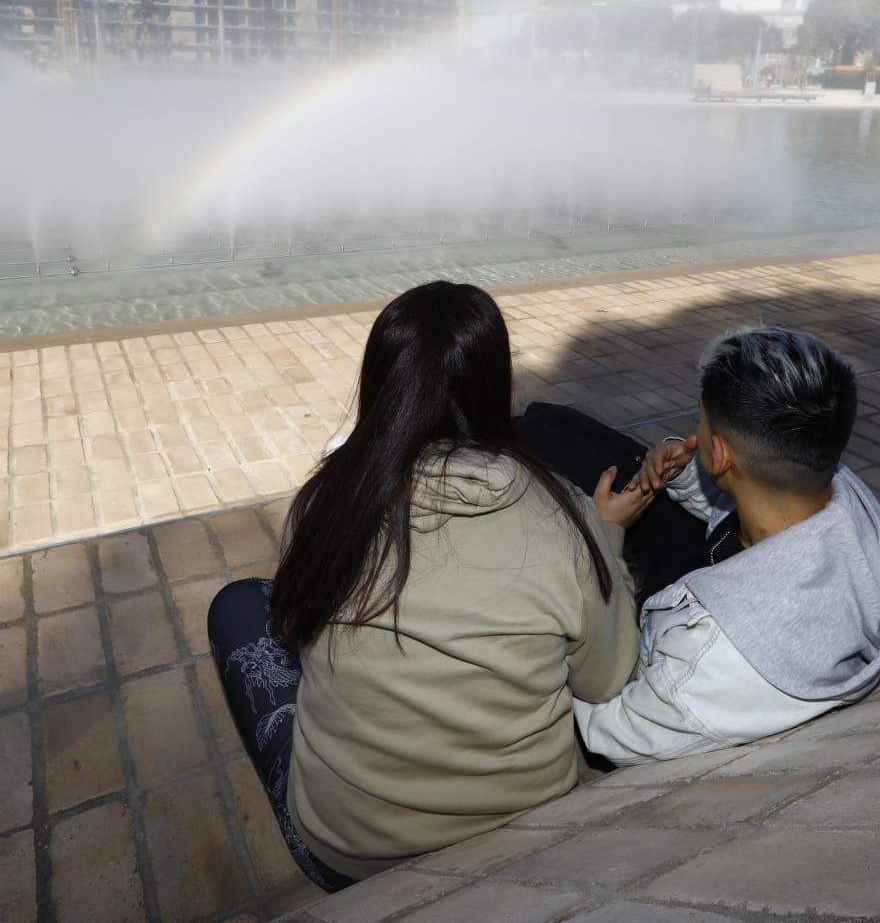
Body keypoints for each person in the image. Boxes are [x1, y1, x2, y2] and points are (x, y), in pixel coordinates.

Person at [207, 281, 642, 888]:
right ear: (493, 385)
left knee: (237, 604)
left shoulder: (326, 500)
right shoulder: (563, 515)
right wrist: (605, 535)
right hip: (524, 844)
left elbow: (295, 625)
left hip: (345, 857)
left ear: (380, 384)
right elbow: (608, 676)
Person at [541, 327, 880, 764]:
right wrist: (682, 473)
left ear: (719, 455)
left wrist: (600, 542)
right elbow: (734, 508)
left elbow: (611, 731)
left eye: (700, 420)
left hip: (667, 644)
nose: (692, 431)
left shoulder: (709, 661)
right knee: (551, 428)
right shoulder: (824, 481)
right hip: (721, 583)